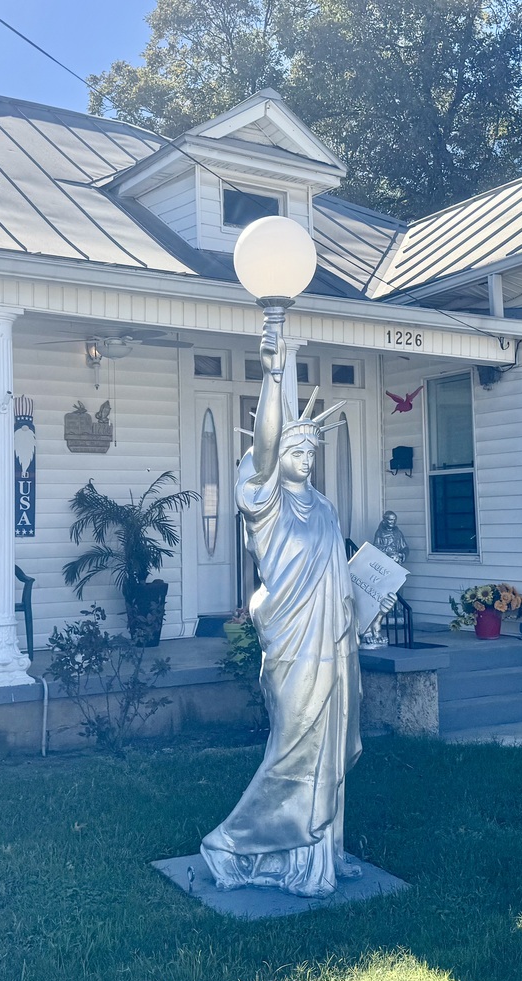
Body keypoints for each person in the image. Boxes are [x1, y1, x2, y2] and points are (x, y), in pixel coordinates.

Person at [200, 330, 380, 898]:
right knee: (293, 745)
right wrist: (275, 374)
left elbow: (336, 574)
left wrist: (364, 601)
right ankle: (237, 842)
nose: (302, 457)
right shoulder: (265, 501)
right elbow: (267, 441)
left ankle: (316, 854)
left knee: (328, 741)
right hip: (292, 644)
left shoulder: (324, 507)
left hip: (334, 639)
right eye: (293, 451)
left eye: (310, 452)